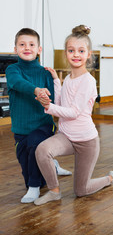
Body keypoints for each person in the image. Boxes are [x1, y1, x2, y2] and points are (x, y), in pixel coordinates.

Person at [34, 25, 113, 205]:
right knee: (42, 150)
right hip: (67, 137)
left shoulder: (89, 81)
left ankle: (108, 179)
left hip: (87, 142)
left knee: (81, 190)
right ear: (66, 53)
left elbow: (73, 112)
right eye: (71, 50)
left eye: (80, 50)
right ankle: (54, 191)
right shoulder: (69, 78)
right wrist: (56, 80)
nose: (75, 54)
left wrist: (49, 107)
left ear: (88, 54)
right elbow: (62, 102)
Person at [5, 28, 71, 204]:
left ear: (39, 49)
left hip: (43, 125)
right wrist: (36, 90)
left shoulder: (45, 73)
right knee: (28, 168)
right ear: (15, 49)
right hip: (21, 128)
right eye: (22, 44)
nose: (27, 47)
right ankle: (50, 167)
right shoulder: (12, 69)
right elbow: (18, 83)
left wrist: (47, 95)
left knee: (35, 148)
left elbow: (54, 99)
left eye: (32, 44)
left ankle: (34, 187)